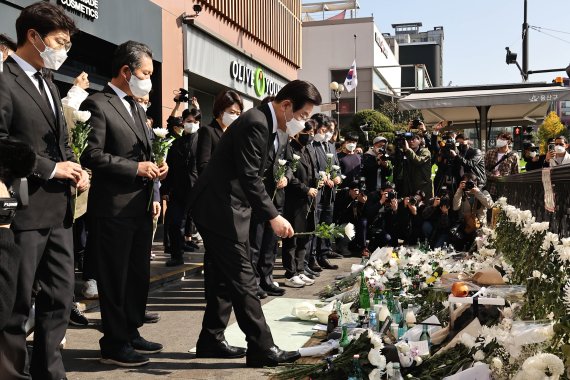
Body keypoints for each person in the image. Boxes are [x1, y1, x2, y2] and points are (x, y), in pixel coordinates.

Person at [190, 80, 321, 367]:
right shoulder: (256, 122)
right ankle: (262, 347)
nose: (304, 123)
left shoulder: (277, 128)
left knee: (223, 277)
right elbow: (249, 176)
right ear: (286, 105)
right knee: (243, 276)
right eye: (302, 116)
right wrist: (273, 216)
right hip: (218, 208)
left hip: (229, 207)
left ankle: (211, 339)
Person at [0, 3, 89, 379]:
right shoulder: (5, 81)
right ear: (33, 37)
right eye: (59, 41)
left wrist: (76, 169)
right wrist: (50, 168)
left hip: (60, 212)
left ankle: (50, 371)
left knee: (60, 296)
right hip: (24, 209)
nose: (63, 50)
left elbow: (62, 143)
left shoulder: (49, 82)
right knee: (14, 305)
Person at [80, 40, 168, 367]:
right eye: (146, 73)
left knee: (136, 276)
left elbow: (145, 154)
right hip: (113, 207)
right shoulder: (98, 103)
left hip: (140, 206)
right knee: (114, 278)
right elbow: (91, 154)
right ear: (126, 71)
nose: (149, 81)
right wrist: (134, 168)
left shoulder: (136, 107)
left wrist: (156, 166)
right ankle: (114, 342)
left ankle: (131, 331)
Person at [282, 120, 319, 288]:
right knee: (293, 237)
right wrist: (305, 189)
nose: (310, 136)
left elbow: (312, 170)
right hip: (295, 199)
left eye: (312, 133)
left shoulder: (308, 149)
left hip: (309, 199)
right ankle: (290, 272)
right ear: (297, 132)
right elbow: (290, 175)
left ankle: (300, 268)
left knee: (305, 236)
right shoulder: (290, 148)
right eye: (307, 133)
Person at [161, 111, 199, 267]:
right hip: (178, 191)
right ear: (183, 122)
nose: (191, 124)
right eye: (188, 121)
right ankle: (176, 255)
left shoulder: (204, 141)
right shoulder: (175, 144)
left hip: (199, 191)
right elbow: (170, 169)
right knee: (175, 223)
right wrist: (165, 190)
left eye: (194, 121)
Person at [196, 89, 243, 175]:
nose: (235, 117)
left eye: (238, 114)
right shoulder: (207, 131)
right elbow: (203, 165)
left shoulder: (234, 133)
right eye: (232, 112)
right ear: (221, 112)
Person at [451, 174, 493, 251]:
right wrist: (459, 190)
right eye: (466, 183)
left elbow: (490, 205)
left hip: (480, 226)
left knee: (477, 240)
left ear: (476, 183)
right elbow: (455, 207)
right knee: (456, 237)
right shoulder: (461, 192)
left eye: (472, 182)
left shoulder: (483, 192)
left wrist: (478, 193)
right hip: (465, 226)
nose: (469, 185)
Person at [392, 133, 433, 198]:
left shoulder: (425, 151)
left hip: (422, 187)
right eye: (408, 140)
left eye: (413, 139)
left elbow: (418, 161)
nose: (411, 141)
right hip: (409, 187)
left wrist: (408, 150)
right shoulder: (405, 152)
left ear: (419, 141)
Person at [484, 132, 519, 197]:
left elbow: (516, 175)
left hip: (506, 190)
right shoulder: (490, 153)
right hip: (490, 188)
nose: (499, 140)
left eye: (502, 139)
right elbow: (483, 170)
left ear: (508, 142)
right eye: (498, 138)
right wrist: (493, 176)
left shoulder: (514, 156)